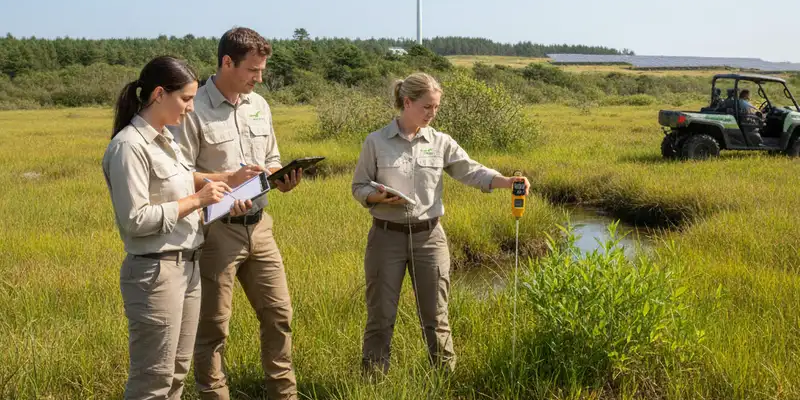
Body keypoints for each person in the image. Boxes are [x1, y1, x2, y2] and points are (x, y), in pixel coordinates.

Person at [351, 72, 531, 375]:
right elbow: (358, 187)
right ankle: (372, 383)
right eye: (427, 107)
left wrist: (506, 181)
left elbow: (471, 171)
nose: (432, 114)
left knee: (436, 316)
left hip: (429, 238)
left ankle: (444, 380)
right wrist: (377, 197)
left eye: (436, 107)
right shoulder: (376, 142)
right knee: (380, 316)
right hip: (386, 238)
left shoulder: (441, 142)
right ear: (407, 102)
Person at [102, 55, 252, 400]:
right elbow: (135, 220)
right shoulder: (129, 147)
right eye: (185, 99)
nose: (190, 108)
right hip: (155, 273)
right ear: (158, 94)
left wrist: (228, 185)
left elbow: (184, 182)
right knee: (152, 382)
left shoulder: (166, 140)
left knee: (176, 374)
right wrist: (199, 200)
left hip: (188, 267)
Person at [173, 27, 301, 400]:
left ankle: (284, 395)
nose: (259, 78)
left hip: (260, 227)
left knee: (279, 316)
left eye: (262, 71)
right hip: (216, 231)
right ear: (227, 62)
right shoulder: (191, 106)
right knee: (213, 328)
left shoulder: (259, 105)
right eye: (253, 70)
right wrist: (228, 181)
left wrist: (281, 177)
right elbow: (178, 175)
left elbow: (271, 159)